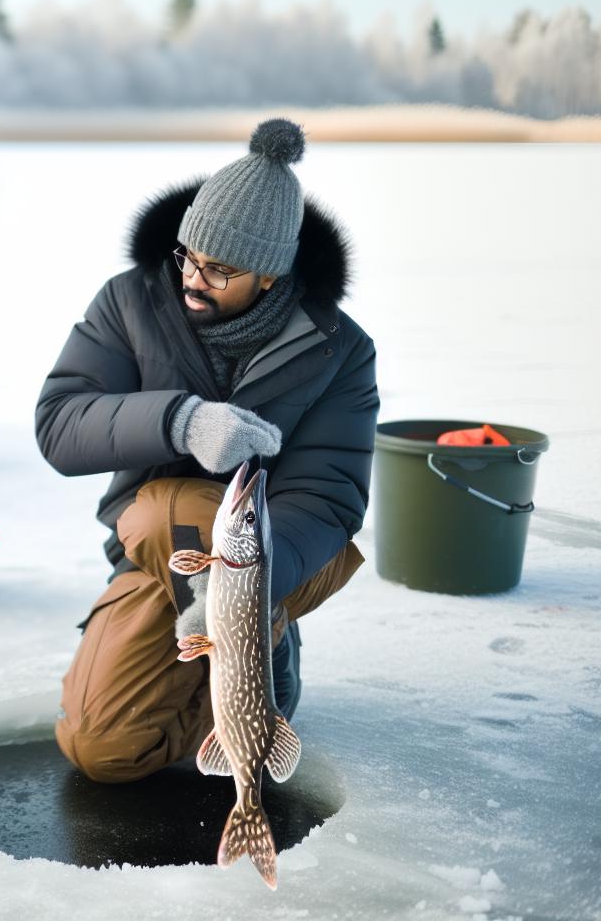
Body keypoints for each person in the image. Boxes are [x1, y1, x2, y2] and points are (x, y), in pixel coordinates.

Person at [35, 120, 378, 782]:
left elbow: (329, 498)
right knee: (101, 748)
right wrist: (181, 422)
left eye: (219, 270)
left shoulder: (339, 348)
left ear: (273, 277)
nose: (193, 277)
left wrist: (244, 590)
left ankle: (264, 673)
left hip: (279, 556)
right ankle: (216, 691)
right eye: (188, 256)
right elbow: (60, 424)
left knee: (173, 507)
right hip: (155, 547)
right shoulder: (130, 301)